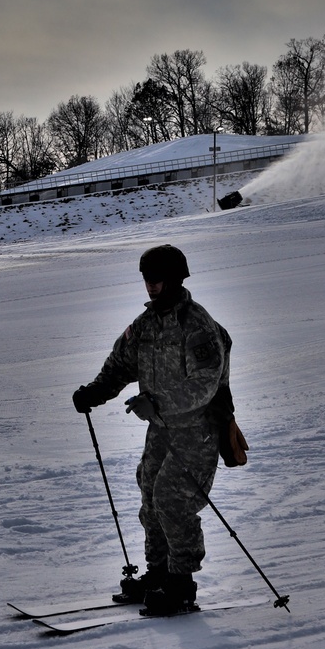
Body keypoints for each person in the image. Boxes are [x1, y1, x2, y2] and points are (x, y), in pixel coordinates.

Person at [72, 244, 235, 616]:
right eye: (147, 280)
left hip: (198, 429)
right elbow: (119, 365)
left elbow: (205, 384)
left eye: (157, 280)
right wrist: (95, 392)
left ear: (176, 279)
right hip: (162, 429)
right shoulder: (145, 326)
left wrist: (156, 403)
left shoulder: (196, 325)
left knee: (172, 499)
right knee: (149, 492)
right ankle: (158, 573)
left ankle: (181, 584)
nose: (151, 287)